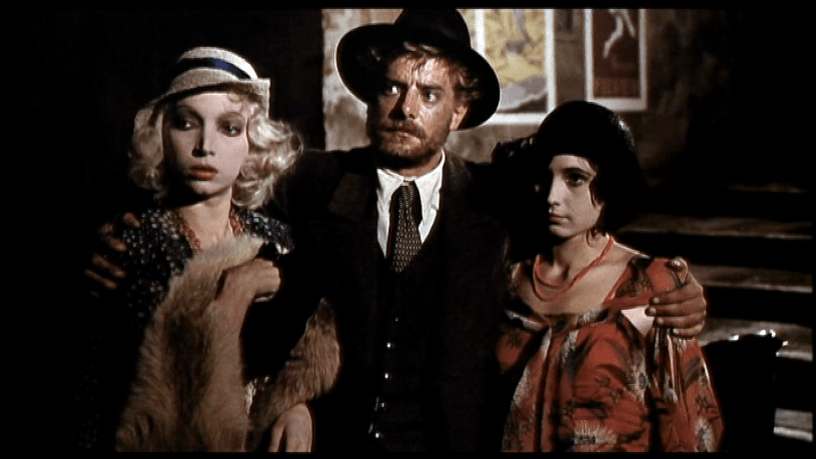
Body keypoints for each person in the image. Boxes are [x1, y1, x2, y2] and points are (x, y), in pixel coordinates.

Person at [84, 10, 708, 452]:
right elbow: (210, 190)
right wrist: (123, 227)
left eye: (429, 95)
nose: (406, 108)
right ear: (369, 95)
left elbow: (584, 242)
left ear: (459, 110)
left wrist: (679, 289)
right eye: (391, 87)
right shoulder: (313, 183)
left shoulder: (495, 203)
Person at [72, 46, 327, 452]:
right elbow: (96, 396)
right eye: (186, 123)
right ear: (161, 134)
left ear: (253, 144)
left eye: (229, 128)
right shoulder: (134, 247)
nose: (205, 145)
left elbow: (295, 357)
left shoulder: (276, 240)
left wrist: (297, 406)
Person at [491, 100, 723, 451]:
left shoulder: (651, 284)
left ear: (611, 185)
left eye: (575, 179)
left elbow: (691, 425)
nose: (552, 196)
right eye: (544, 176)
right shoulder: (507, 279)